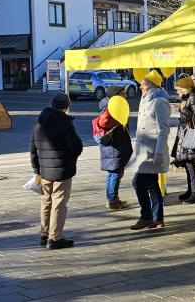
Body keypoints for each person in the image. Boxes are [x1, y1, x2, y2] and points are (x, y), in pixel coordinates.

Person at [30, 92, 83, 250]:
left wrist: (37, 170)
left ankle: (44, 234)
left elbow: (33, 149)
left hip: (45, 171)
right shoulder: (66, 124)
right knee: (59, 203)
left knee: (46, 201)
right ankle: (55, 238)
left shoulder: (38, 123)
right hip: (62, 171)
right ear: (66, 107)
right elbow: (76, 147)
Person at [128, 70, 171, 230]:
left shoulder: (159, 102)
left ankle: (148, 217)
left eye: (144, 84)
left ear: (152, 85)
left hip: (153, 151)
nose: (141, 86)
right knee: (150, 183)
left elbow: (164, 130)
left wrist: (159, 152)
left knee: (139, 181)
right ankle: (156, 218)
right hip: (143, 152)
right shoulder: (145, 100)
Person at [170, 76, 195, 204]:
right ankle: (191, 190)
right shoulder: (189, 96)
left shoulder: (193, 97)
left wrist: (183, 109)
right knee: (187, 163)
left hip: (189, 133)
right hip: (185, 133)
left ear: (185, 88)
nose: (177, 92)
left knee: (189, 163)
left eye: (178, 89)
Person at [95, 86, 133, 210]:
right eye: (123, 93)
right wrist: (116, 122)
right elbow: (103, 122)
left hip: (115, 146)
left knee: (114, 173)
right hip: (114, 146)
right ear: (115, 95)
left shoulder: (115, 106)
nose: (125, 96)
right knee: (115, 173)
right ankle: (113, 201)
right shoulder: (110, 107)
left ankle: (111, 199)